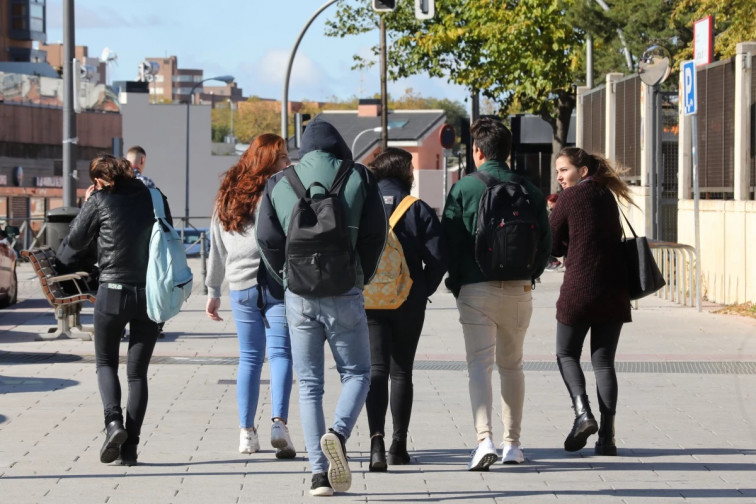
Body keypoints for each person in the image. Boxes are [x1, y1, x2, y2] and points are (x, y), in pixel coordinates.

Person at [256, 118, 386, 496]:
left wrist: (286, 280)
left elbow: (265, 239)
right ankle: (338, 434)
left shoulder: (280, 182)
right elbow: (377, 235)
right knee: (358, 373)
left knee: (310, 385)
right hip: (345, 290)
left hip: (299, 294)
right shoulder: (359, 177)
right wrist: (360, 276)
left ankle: (317, 474)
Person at [442, 117, 551, 471]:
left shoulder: (464, 188)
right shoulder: (530, 190)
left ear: (477, 151)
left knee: (479, 366)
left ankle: (483, 439)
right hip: (519, 289)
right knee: (513, 366)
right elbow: (545, 244)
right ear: (507, 151)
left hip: (475, 288)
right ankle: (513, 445)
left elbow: (450, 242)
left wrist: (457, 282)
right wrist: (528, 276)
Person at [67, 154, 171, 466]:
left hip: (111, 293)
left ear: (100, 180)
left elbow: (74, 240)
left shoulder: (99, 199)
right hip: (149, 294)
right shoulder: (154, 195)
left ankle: (113, 424)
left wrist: (90, 201)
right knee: (138, 373)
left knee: (106, 363)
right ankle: (131, 449)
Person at [205, 134, 296, 459]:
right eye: (282, 156)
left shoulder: (228, 193)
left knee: (249, 359)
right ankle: (278, 424)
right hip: (275, 281)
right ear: (270, 159)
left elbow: (215, 244)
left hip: (241, 286)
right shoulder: (279, 189)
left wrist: (213, 289)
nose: (287, 160)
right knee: (282, 354)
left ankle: (246, 433)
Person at [363, 148, 447, 471]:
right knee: (401, 371)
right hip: (409, 301)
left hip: (370, 301)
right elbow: (439, 258)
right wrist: (421, 287)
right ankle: (399, 445)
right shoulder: (418, 209)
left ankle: (376, 444)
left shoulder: (365, 208)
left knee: (376, 370)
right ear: (404, 174)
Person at [550, 147, 632, 456]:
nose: (560, 176)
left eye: (565, 170)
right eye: (558, 171)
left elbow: (552, 242)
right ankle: (607, 438)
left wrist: (554, 212)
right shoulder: (606, 196)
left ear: (582, 171)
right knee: (603, 361)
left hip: (580, 288)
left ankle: (583, 414)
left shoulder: (570, 198)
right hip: (615, 289)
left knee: (566, 353)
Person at [545, 193, 562, 271]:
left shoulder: (558, 212)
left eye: (550, 203)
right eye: (548, 203)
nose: (549, 205)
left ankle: (554, 262)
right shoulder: (551, 212)